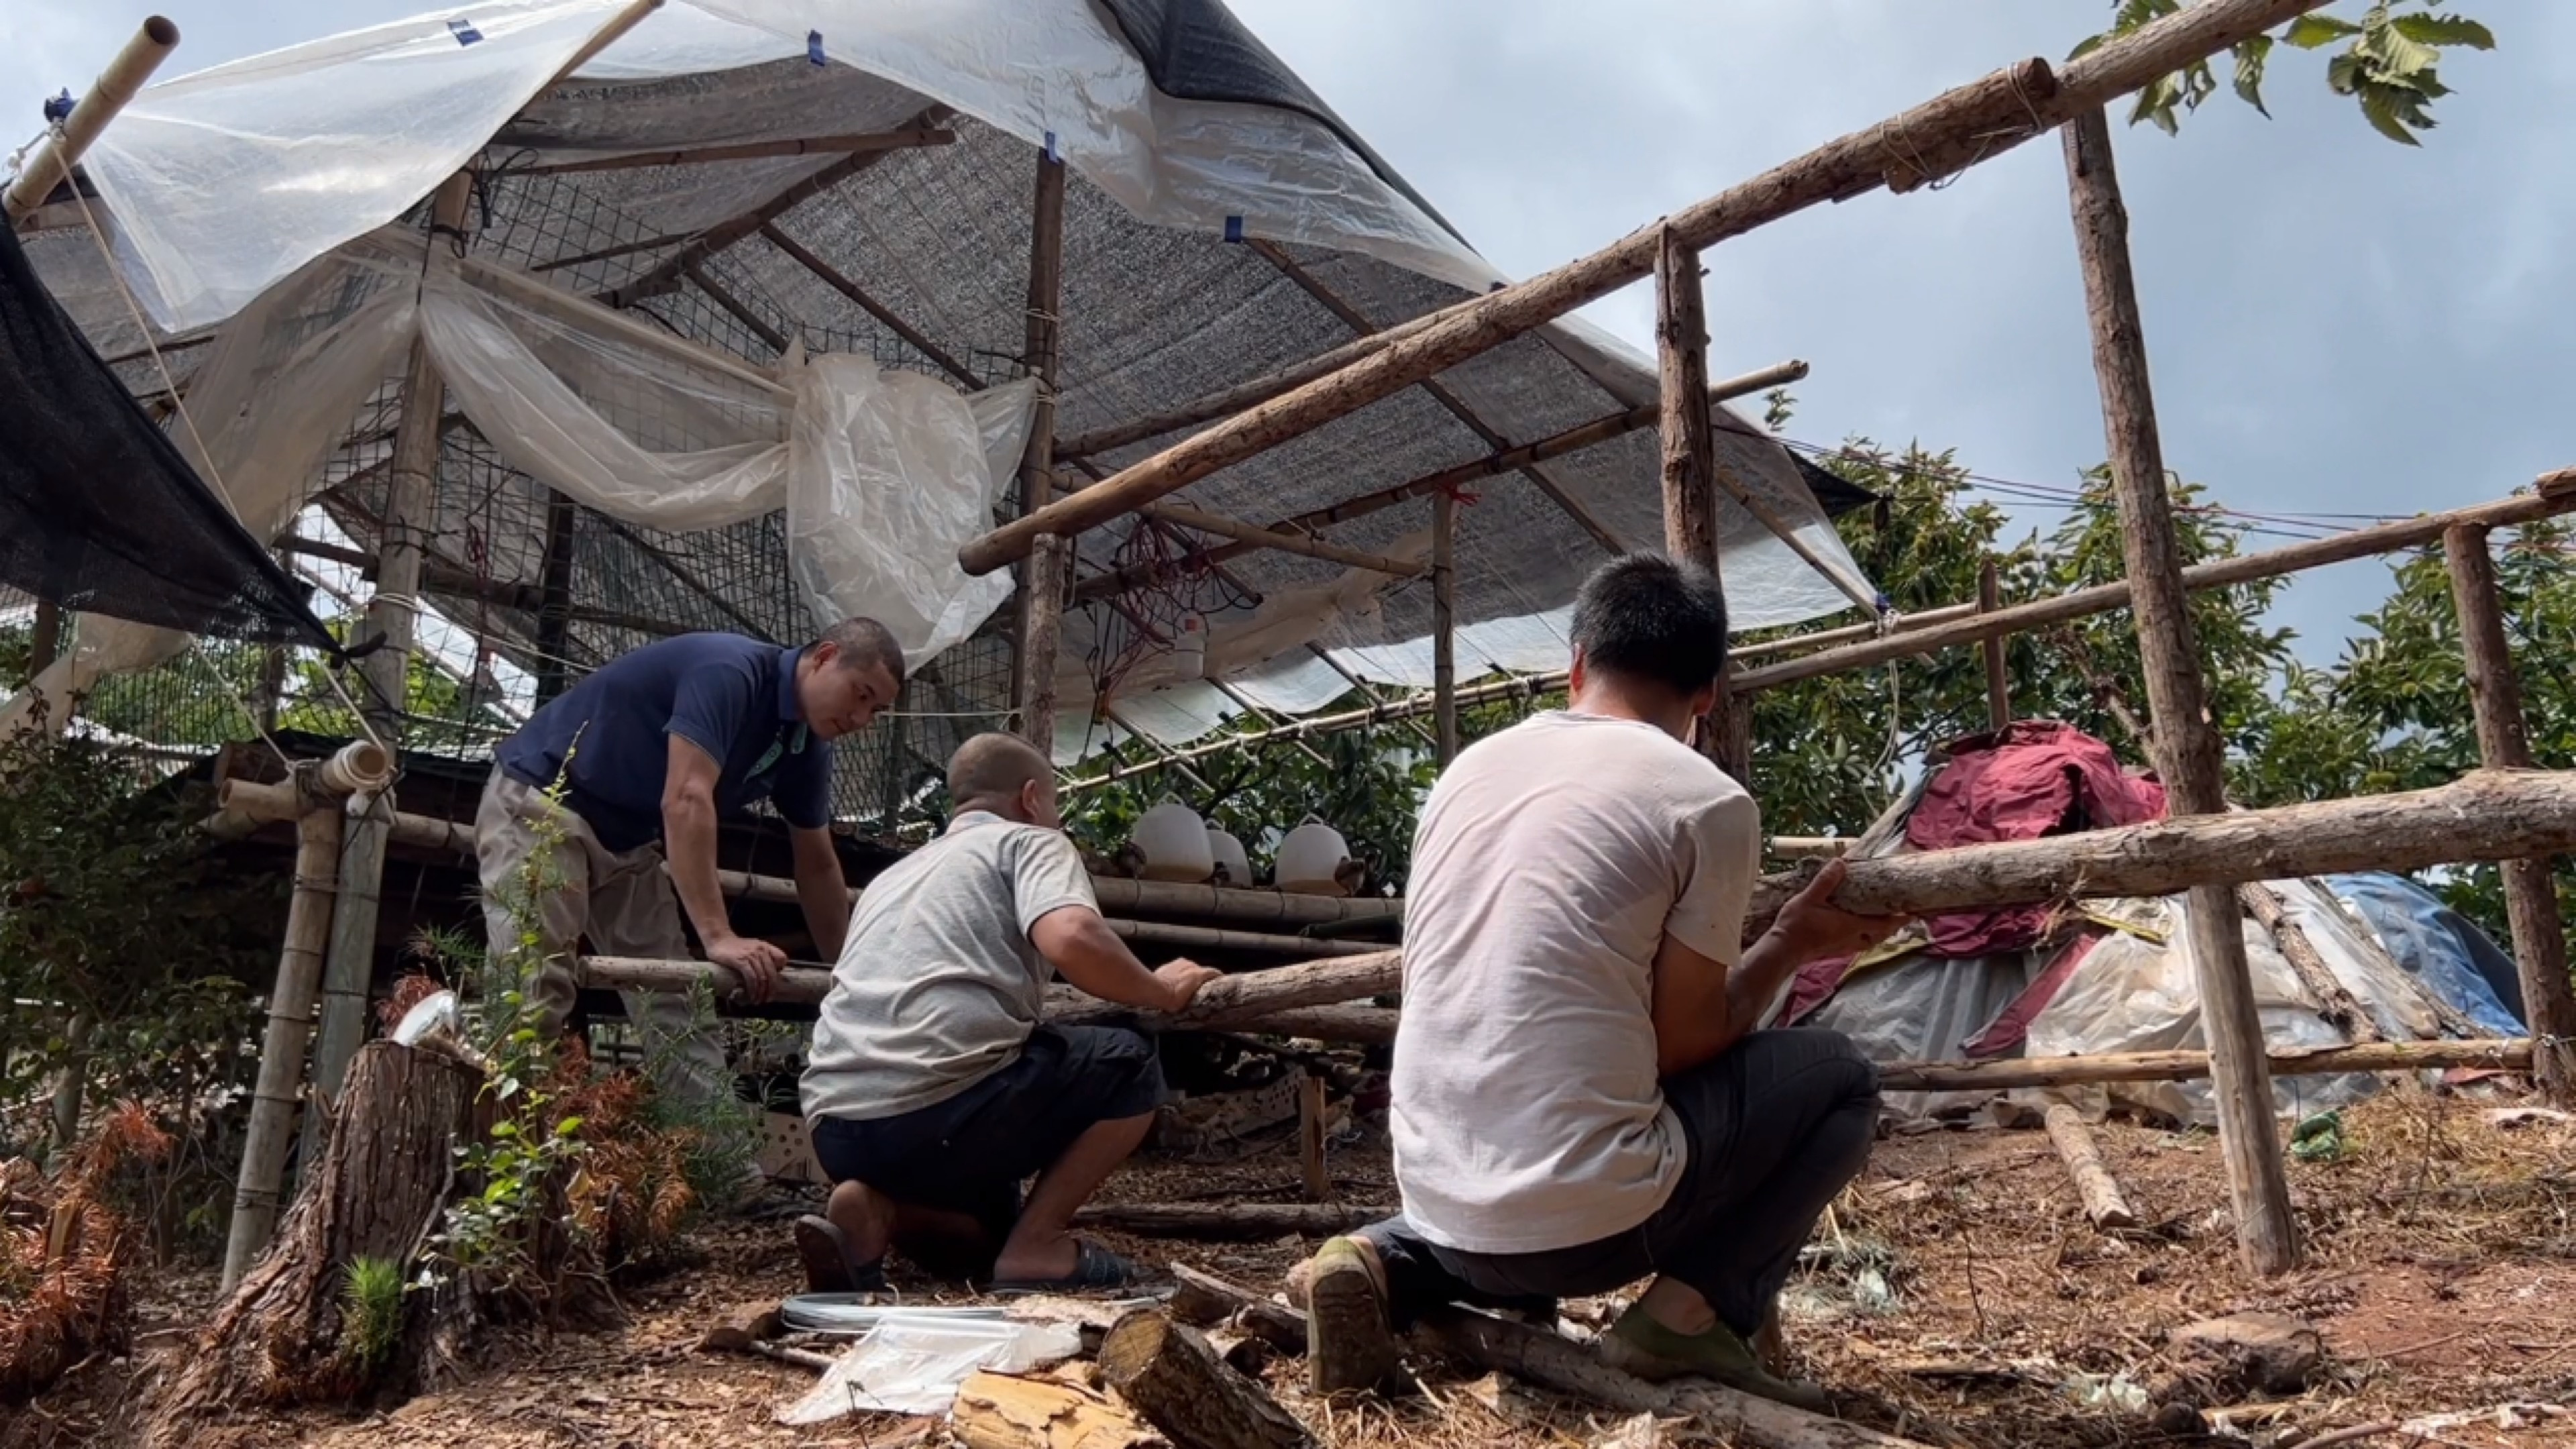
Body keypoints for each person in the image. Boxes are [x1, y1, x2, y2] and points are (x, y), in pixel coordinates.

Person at [1297, 553, 1909, 1408]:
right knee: (1843, 1077)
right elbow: (1685, 1041)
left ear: (1575, 664)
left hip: (1443, 1208)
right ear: (1707, 695)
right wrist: (1789, 943)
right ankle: (1688, 1316)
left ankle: (1382, 1259)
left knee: (1521, 1161)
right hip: (1587, 1232)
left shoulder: (1463, 776)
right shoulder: (1706, 800)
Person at [476, 620, 905, 1188]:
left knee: (676, 1003)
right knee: (532, 990)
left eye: (875, 713)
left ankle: (728, 1180)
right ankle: (494, 1186)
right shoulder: (729, 671)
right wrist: (719, 936)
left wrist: (847, 975)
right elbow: (686, 797)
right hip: (543, 807)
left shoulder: (805, 744)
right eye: (861, 695)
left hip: (628, 842)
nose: (859, 720)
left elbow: (818, 863)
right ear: (825, 658)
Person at [796, 731, 1223, 1293]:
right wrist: (1160, 989)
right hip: (939, 1112)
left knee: (990, 1232)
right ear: (1031, 798)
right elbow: (1071, 938)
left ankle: (875, 1209)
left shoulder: (890, 878)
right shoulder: (1027, 843)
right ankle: (1041, 1244)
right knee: (1130, 1057)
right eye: (1055, 805)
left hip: (837, 1130)